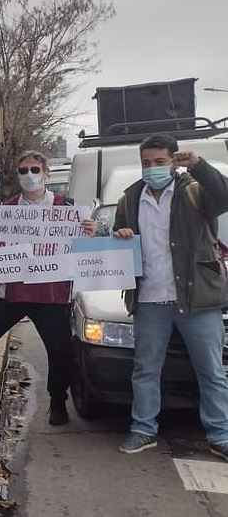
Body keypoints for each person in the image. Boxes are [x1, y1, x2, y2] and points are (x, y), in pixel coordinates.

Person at [0, 151, 97, 426]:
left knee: (60, 350)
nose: (29, 175)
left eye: (35, 169)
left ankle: (58, 401)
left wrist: (88, 231)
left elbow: (81, 246)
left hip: (51, 292)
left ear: (46, 173)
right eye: (23, 170)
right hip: (13, 289)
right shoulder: (6, 209)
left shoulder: (66, 208)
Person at [112, 135, 228, 459]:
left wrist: (200, 166)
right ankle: (143, 430)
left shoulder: (193, 190)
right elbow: (121, 238)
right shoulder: (130, 198)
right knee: (145, 369)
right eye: (146, 163)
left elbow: (223, 197)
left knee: (211, 371)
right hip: (150, 298)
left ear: (174, 161)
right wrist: (120, 234)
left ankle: (220, 435)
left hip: (196, 297)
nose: (152, 168)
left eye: (160, 162)